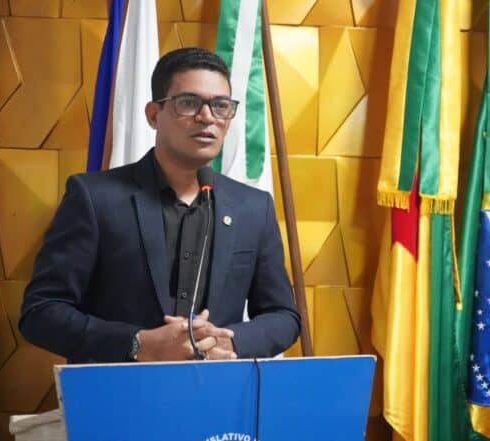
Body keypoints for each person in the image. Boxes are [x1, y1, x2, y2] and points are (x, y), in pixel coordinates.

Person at [19, 47, 300, 363]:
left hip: (218, 387)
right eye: (189, 103)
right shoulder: (94, 198)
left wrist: (230, 342)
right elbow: (41, 312)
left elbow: (283, 316)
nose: (207, 117)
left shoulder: (254, 208)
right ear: (154, 115)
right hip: (119, 389)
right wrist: (138, 344)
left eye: (221, 106)